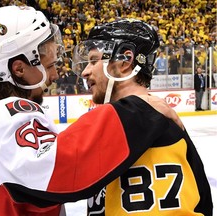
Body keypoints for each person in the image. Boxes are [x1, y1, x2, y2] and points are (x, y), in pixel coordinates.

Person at [0, 6, 199, 216]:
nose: (56, 74)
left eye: (93, 61)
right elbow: (61, 166)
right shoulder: (8, 115)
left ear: (125, 62)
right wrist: (139, 109)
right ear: (19, 68)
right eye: (48, 63)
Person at [72, 19, 212, 215]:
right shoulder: (153, 122)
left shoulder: (154, 129)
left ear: (125, 61)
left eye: (94, 61)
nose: (85, 72)